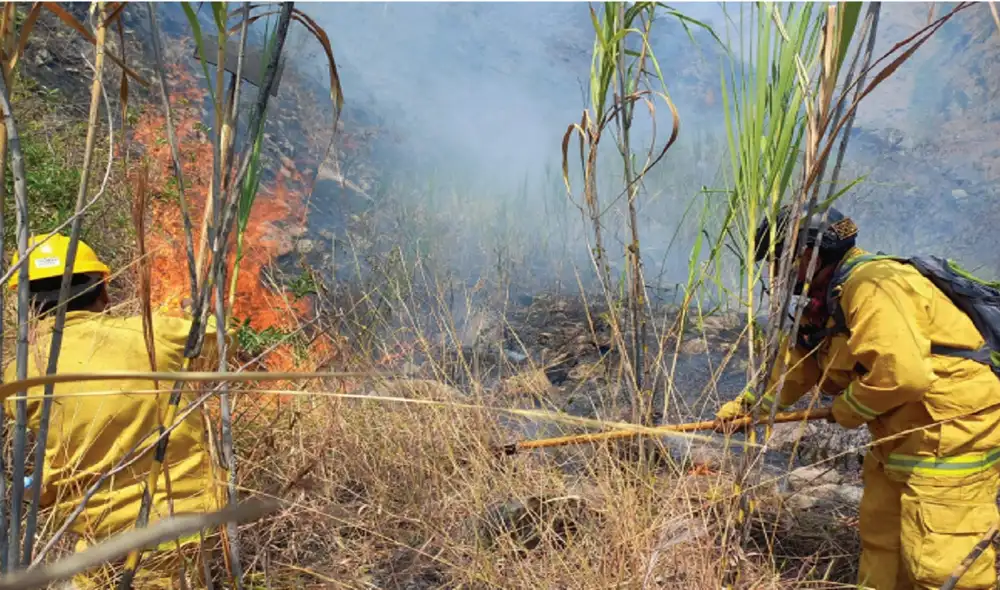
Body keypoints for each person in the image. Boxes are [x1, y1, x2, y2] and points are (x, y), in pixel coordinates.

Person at [715, 206, 1000, 590]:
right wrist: (748, 408)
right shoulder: (826, 297)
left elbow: (905, 375)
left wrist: (847, 410)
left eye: (781, 260)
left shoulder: (873, 285)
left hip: (951, 437)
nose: (777, 273)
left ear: (808, 254)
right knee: (882, 540)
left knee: (941, 563)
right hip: (899, 437)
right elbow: (798, 366)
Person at [4, 234, 229, 589]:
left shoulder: (18, 375)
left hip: (99, 542)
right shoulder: (158, 333)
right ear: (104, 292)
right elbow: (219, 342)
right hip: (180, 530)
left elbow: (62, 450)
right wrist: (186, 314)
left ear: (25, 307)